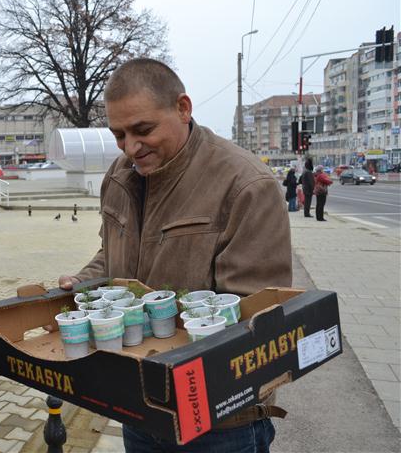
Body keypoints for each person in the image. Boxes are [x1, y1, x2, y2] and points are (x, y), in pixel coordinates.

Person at [59, 58, 291, 452]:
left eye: (143, 130)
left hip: (219, 421)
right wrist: (85, 283)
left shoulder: (246, 185)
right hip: (139, 406)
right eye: (118, 135)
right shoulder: (118, 176)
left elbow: (251, 314)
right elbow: (110, 253)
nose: (130, 148)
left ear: (183, 108)